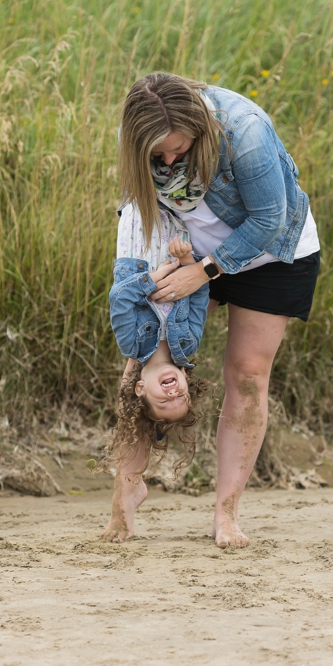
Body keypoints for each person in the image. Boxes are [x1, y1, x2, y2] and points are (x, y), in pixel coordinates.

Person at [116, 72, 322, 549]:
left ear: (200, 128)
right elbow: (135, 214)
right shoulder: (142, 134)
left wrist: (206, 271)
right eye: (156, 155)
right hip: (184, 249)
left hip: (271, 251)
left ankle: (226, 515)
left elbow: (269, 219)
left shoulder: (242, 129)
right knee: (139, 362)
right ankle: (124, 495)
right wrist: (137, 282)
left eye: (178, 150)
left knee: (247, 374)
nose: (167, 161)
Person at [99, 203, 213, 542]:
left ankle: (127, 493)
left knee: (140, 191)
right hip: (177, 242)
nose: (174, 393)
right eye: (182, 396)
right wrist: (190, 263)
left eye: (165, 402)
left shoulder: (131, 345)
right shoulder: (189, 339)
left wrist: (154, 278)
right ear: (186, 384)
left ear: (140, 390)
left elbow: (119, 297)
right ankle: (127, 492)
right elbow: (200, 292)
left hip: (136, 245)